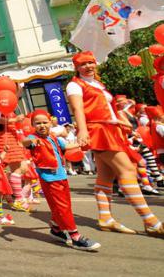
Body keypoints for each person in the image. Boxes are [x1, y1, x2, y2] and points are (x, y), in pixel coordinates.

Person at [66, 51, 163, 237]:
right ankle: (150, 221)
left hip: (111, 129)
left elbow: (109, 109)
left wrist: (123, 121)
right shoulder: (74, 85)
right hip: (98, 131)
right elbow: (77, 108)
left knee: (105, 177)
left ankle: (105, 218)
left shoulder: (98, 84)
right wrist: (83, 130)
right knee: (128, 170)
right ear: (76, 68)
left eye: (91, 63)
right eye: (83, 64)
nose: (88, 66)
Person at [22, 110, 100, 251]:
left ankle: (57, 229)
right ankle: (75, 236)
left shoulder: (53, 137)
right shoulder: (34, 139)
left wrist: (82, 143)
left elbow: (66, 147)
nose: (41, 125)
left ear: (50, 123)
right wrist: (30, 140)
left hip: (61, 175)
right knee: (62, 207)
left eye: (44, 122)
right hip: (49, 178)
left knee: (63, 206)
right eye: (37, 123)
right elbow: (24, 142)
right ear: (33, 125)